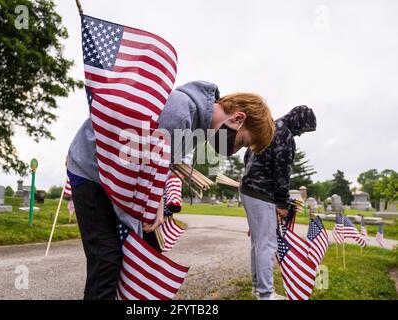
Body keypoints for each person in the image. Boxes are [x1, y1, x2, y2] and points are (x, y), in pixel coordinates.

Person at [67, 81, 275, 300]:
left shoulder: (197, 126)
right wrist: (134, 226)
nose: (233, 151)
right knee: (107, 261)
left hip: (116, 176)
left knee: (144, 253)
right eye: (242, 143)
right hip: (92, 169)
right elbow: (130, 170)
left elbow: (159, 164)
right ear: (237, 118)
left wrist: (156, 203)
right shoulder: (180, 114)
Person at [240, 105, 316, 300]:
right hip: (262, 193)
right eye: (304, 129)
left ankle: (258, 288)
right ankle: (266, 295)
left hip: (248, 189)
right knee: (266, 244)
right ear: (299, 121)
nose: (300, 134)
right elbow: (282, 173)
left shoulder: (269, 126)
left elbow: (246, 155)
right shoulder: (285, 135)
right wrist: (282, 204)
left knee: (258, 243)